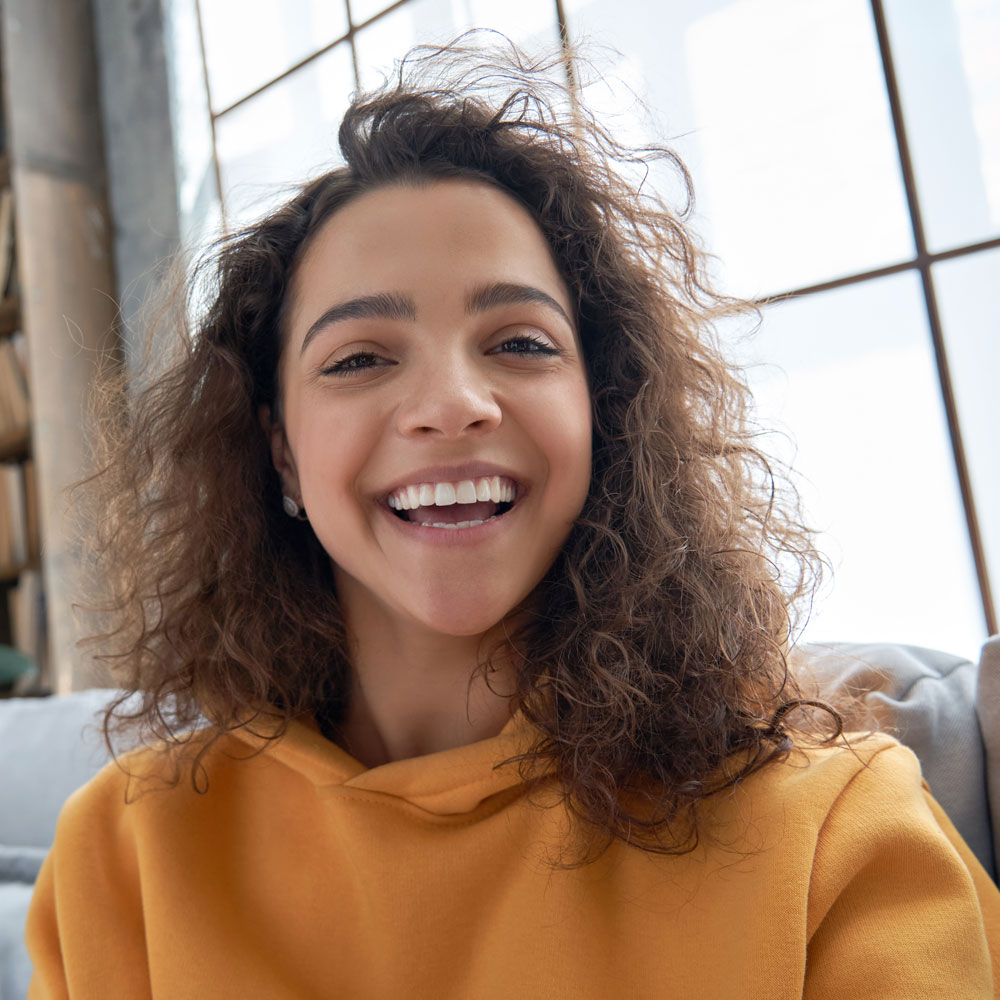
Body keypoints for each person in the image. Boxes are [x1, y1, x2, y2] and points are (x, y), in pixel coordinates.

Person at [26, 38, 999, 998]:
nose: (452, 403)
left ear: (600, 410)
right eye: (360, 357)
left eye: (520, 342)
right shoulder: (126, 857)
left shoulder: (834, 833)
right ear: (278, 447)